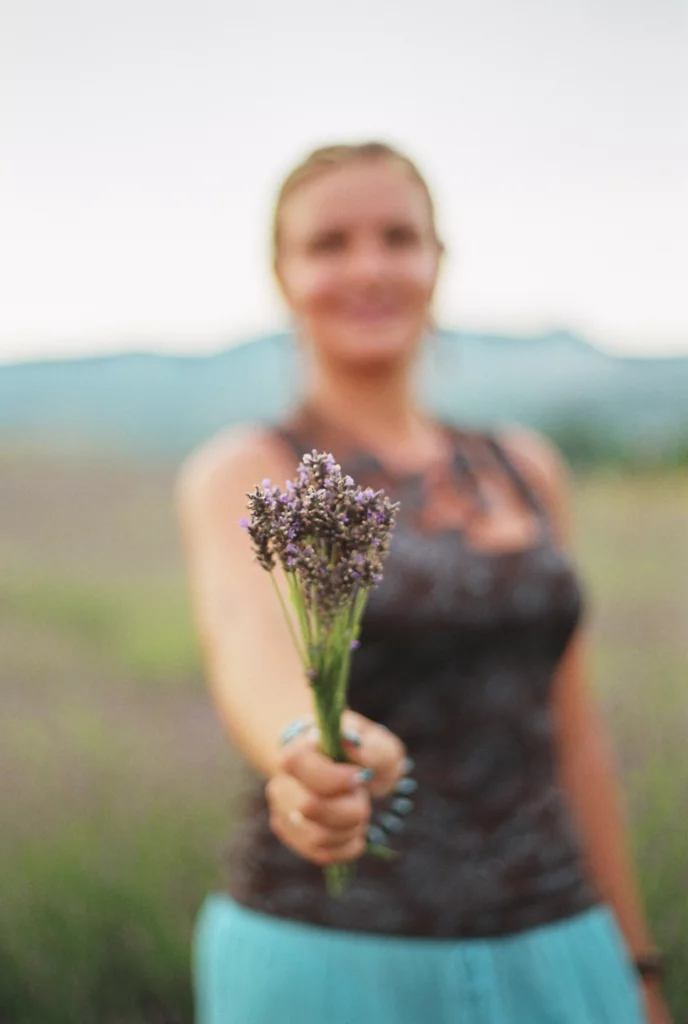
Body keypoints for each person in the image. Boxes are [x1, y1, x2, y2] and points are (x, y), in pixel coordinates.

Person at [176, 141, 670, 1023]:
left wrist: (636, 961)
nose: (369, 268)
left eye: (398, 237)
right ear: (283, 275)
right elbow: (246, 643)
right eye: (329, 244)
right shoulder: (250, 470)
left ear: (438, 260)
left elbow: (573, 733)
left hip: (560, 936)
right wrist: (310, 749)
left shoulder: (523, 466)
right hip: (332, 956)